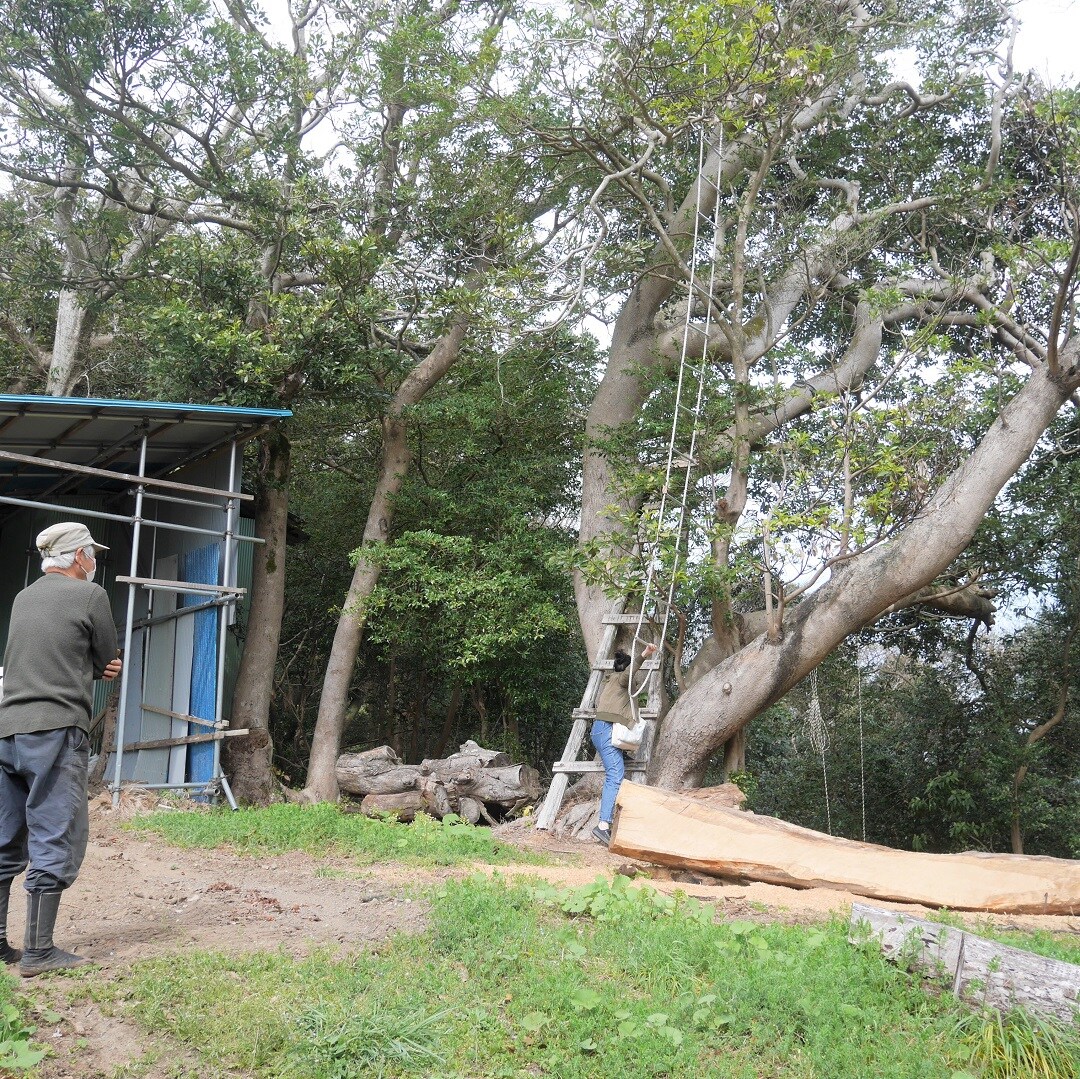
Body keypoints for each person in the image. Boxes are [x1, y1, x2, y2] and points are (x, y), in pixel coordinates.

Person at [0, 522, 122, 977]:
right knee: (56, 831)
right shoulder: (91, 596)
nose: (94, 563)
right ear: (77, 557)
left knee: (6, 836)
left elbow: (35, 658)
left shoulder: (22, 598)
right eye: (92, 555)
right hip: (55, 730)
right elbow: (105, 656)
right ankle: (39, 952)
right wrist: (99, 667)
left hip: (7, 730)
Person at [590, 640, 656, 845]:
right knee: (615, 775)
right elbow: (630, 673)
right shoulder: (621, 679)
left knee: (618, 770)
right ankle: (603, 825)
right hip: (605, 731)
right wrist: (644, 654)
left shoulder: (611, 682)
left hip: (604, 730)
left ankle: (607, 823)